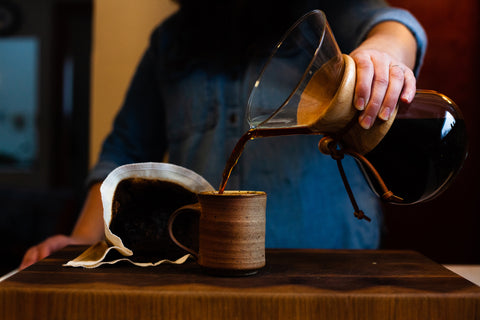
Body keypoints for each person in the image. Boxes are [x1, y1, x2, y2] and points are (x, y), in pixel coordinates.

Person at [20, 0, 426, 269]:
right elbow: (124, 149)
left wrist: (383, 57)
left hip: (334, 272)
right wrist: (81, 243)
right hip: (201, 272)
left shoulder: (334, 12)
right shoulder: (171, 42)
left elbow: (396, 27)